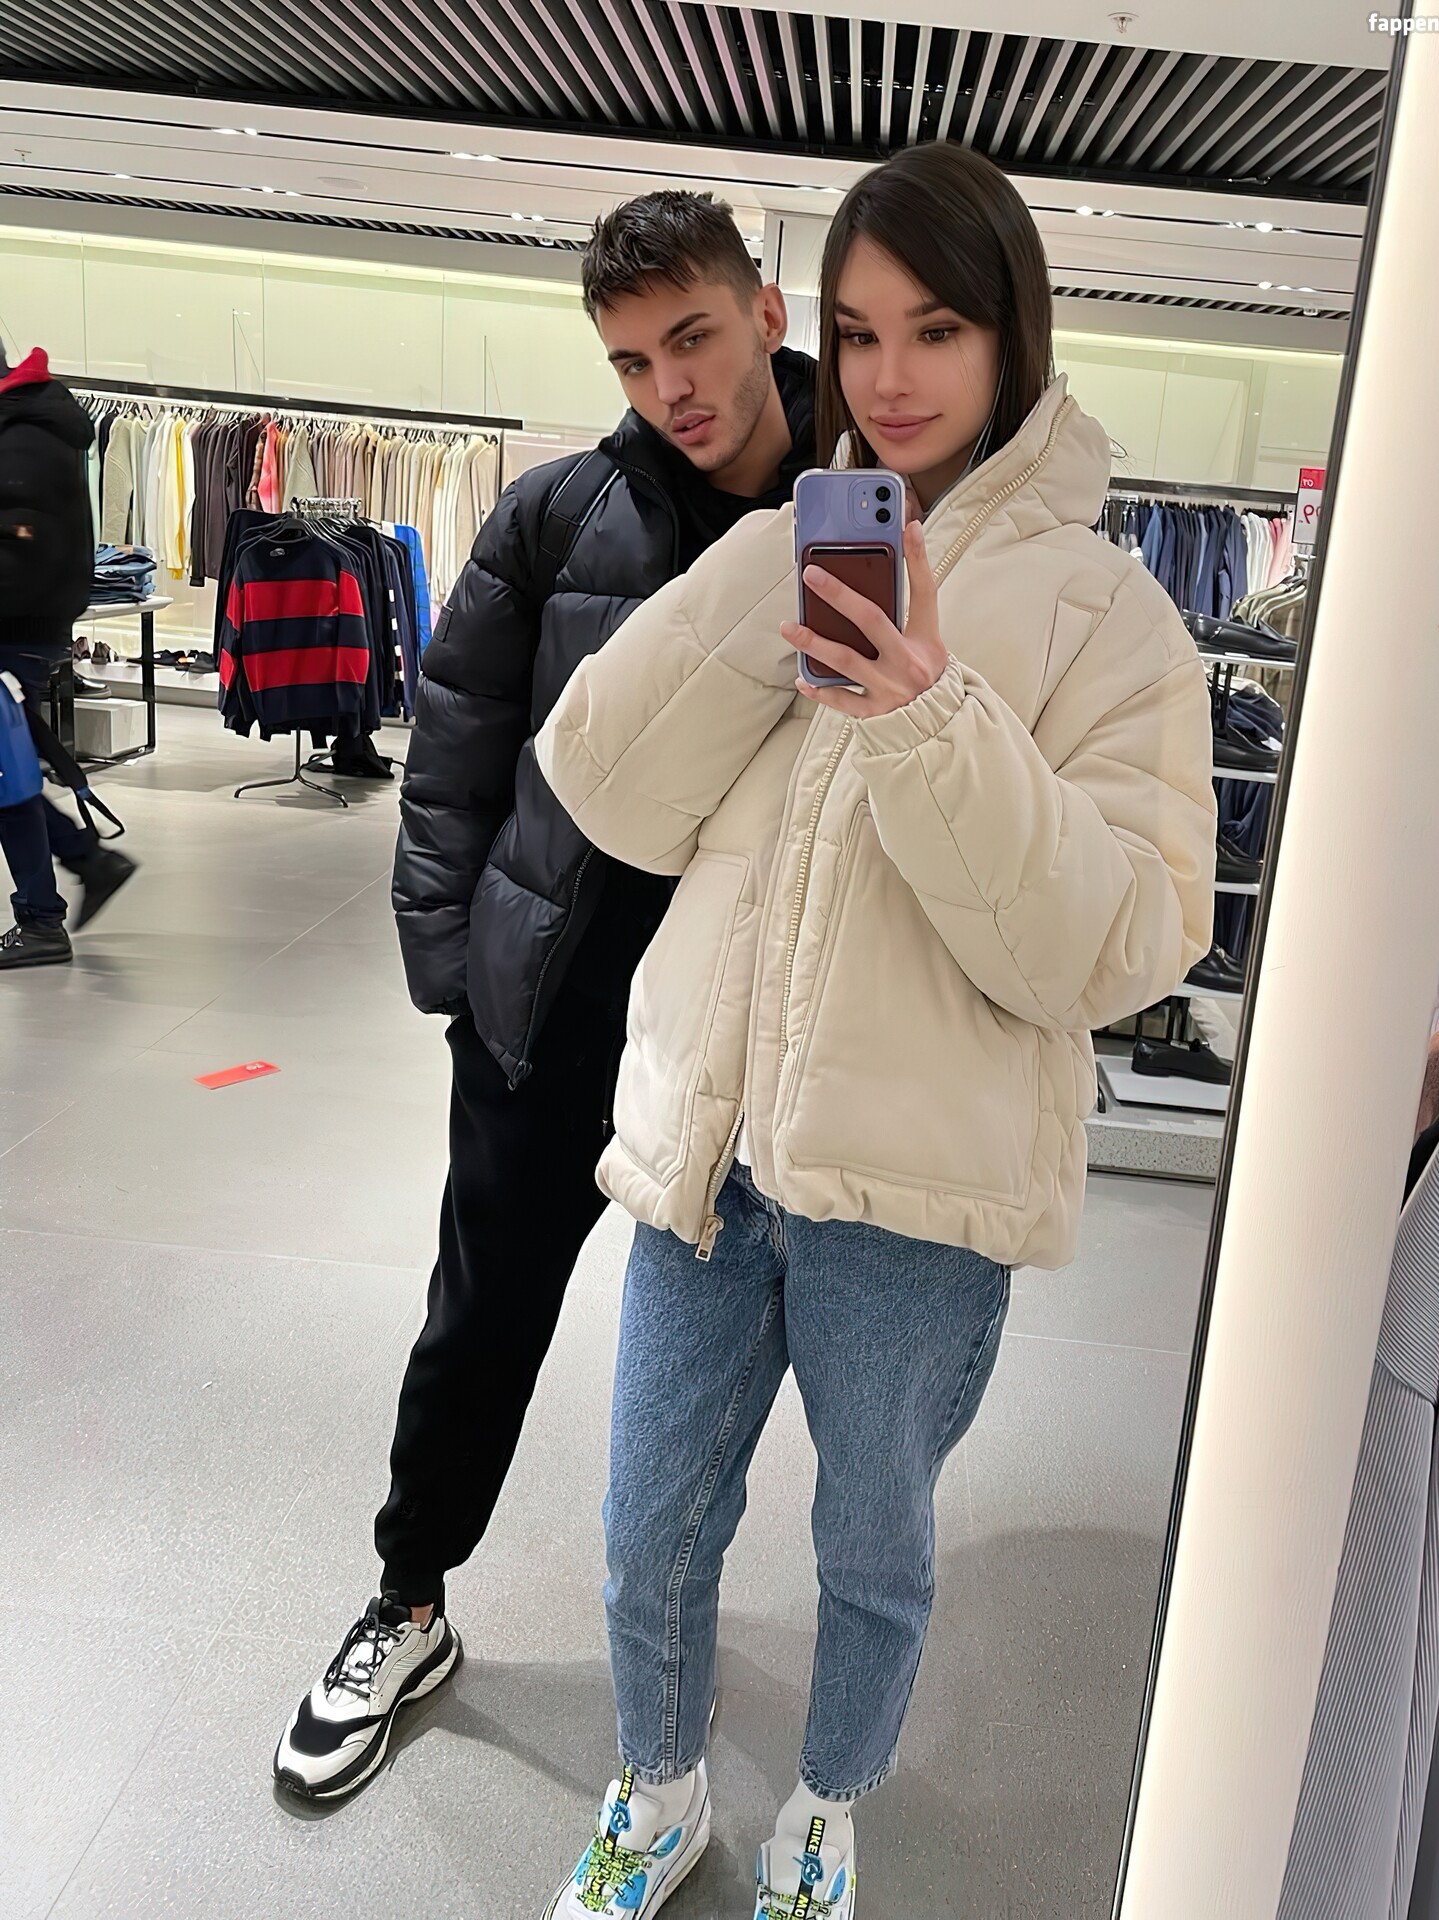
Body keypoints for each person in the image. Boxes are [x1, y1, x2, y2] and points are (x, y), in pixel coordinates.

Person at [538, 140, 1217, 1918]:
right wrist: (772, 581)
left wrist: (926, 708)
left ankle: (824, 1813)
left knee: (871, 1548)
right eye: (853, 332)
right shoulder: (785, 541)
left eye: (935, 329)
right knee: (646, 1523)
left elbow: (1119, 946)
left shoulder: (1113, 621)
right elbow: (601, 785)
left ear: (1011, 337)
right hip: (712, 1148)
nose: (890, 376)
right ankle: (656, 1788)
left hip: (914, 1200)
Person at [273, 191, 818, 1800]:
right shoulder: (554, 516)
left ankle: (690, 1656)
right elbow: (453, 754)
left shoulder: (868, 509)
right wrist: (459, 976)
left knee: (740, 1372)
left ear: (766, 312)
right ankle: (406, 1600)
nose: (670, 386)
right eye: (633, 360)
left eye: (692, 338)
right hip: (558, 1011)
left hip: (754, 1037)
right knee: (481, 1319)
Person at [0, 342, 136, 967]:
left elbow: (22, 546)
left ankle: (43, 916)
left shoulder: (22, 436)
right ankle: (86, 863)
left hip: (15, 629)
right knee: (10, 765)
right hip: (27, 626)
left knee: (7, 775)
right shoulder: (31, 424)